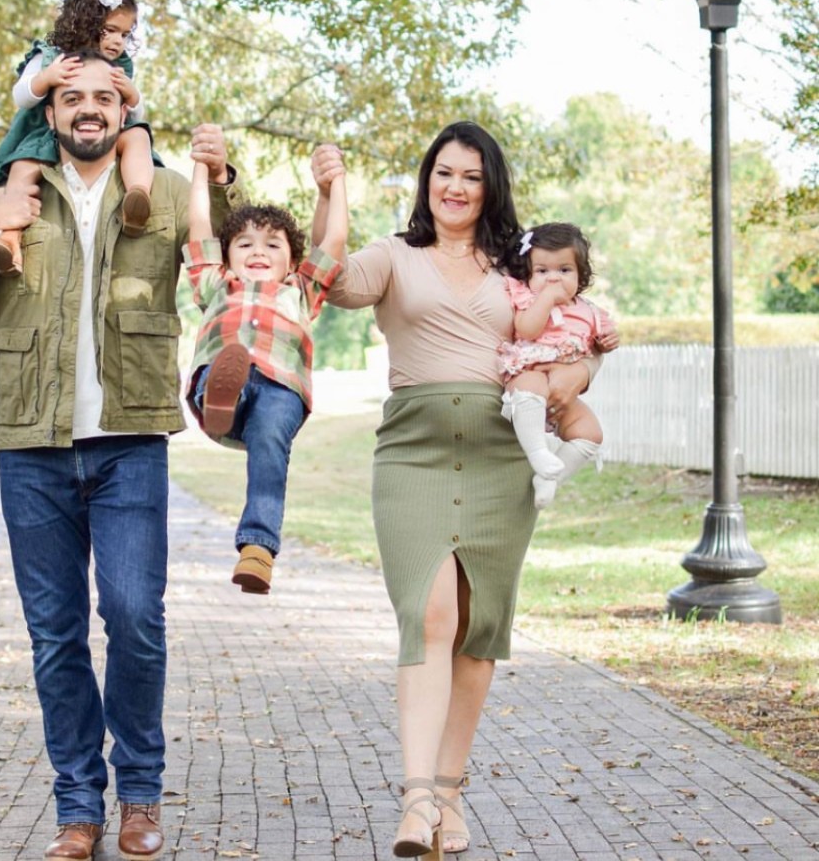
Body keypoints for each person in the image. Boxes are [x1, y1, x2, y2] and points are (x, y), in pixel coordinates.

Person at [0, 51, 246, 861]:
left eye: (104, 98)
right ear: (50, 113)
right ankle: (79, 807)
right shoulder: (18, 194)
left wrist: (226, 176)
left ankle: (139, 793)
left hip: (130, 444)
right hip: (31, 449)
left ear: (125, 112)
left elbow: (229, 270)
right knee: (56, 635)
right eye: (71, 96)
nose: (88, 109)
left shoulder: (168, 193)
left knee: (136, 619)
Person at [313, 124, 599, 858]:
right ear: (426, 179)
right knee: (429, 613)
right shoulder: (394, 255)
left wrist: (579, 377)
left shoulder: (519, 266)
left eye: (471, 176)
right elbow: (330, 280)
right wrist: (328, 196)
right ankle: (415, 802)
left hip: (503, 456)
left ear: (490, 186)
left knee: (476, 630)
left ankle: (449, 792)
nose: (455, 187)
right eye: (444, 172)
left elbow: (572, 341)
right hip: (414, 453)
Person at [182, 155, 348, 594]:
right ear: (227, 255)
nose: (258, 251)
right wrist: (199, 166)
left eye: (273, 244)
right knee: (225, 368)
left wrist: (334, 186)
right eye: (245, 243)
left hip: (281, 388)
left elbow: (335, 238)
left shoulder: (302, 290)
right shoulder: (216, 283)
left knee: (271, 444)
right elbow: (198, 223)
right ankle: (220, 399)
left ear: (294, 261)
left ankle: (257, 550)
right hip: (224, 372)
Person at [0, 0, 155, 275]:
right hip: (46, 134)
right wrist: (46, 79)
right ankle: (8, 241)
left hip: (105, 136)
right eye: (110, 30)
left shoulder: (120, 65)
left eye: (124, 34)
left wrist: (133, 96)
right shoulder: (52, 56)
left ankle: (137, 196)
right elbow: (21, 95)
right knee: (21, 173)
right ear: (87, 23)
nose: (117, 41)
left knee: (139, 137)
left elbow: (133, 114)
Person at [499, 222, 618, 509]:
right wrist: (547, 299)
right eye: (542, 271)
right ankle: (538, 451)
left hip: (564, 395)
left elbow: (596, 343)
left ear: (581, 274)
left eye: (564, 270)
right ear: (528, 274)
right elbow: (526, 329)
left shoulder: (589, 311)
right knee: (532, 384)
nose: (553, 279)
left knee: (591, 432)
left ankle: (551, 477)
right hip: (529, 376)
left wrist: (608, 341)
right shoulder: (529, 300)